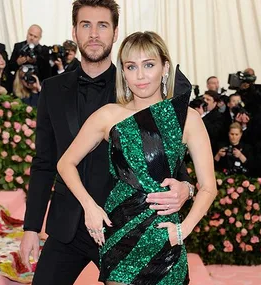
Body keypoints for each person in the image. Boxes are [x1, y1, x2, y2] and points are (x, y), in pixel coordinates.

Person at [19, 1, 194, 285]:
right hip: (69, 226)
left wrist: (187, 188)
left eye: (103, 25)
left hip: (126, 223)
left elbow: (165, 153)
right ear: (74, 31)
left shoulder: (138, 83)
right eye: (86, 25)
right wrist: (31, 227)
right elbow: (44, 162)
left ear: (115, 33)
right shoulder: (52, 90)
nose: (94, 34)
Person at [58, 31, 217, 284]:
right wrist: (90, 206)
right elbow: (65, 163)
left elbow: (209, 187)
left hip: (166, 237)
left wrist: (183, 230)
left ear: (165, 67)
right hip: (121, 235)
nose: (140, 75)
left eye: (149, 65)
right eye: (131, 67)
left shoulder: (188, 118)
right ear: (123, 72)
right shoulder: (108, 115)